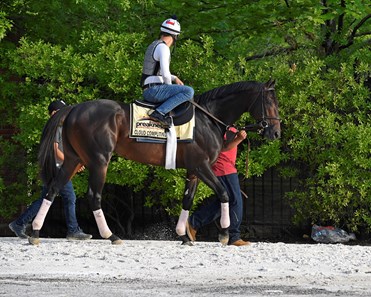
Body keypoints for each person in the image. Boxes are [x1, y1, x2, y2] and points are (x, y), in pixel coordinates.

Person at [9, 100, 92, 240]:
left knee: (46, 199)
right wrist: (70, 163)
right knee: (69, 197)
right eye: (63, 112)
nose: (66, 116)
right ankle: (73, 230)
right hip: (56, 169)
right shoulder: (54, 128)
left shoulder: (57, 128)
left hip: (56, 168)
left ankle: (19, 223)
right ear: (54, 113)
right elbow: (55, 150)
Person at [186, 128, 250, 246]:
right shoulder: (221, 128)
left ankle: (193, 223)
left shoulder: (225, 127)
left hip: (224, 168)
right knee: (235, 202)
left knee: (223, 202)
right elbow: (223, 147)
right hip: (224, 169)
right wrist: (239, 139)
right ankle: (233, 237)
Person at [141, 16, 194, 128]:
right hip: (154, 90)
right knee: (188, 91)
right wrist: (170, 89)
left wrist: (174, 78)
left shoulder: (154, 45)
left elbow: (157, 73)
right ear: (175, 36)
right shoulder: (164, 48)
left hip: (148, 88)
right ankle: (159, 113)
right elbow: (165, 74)